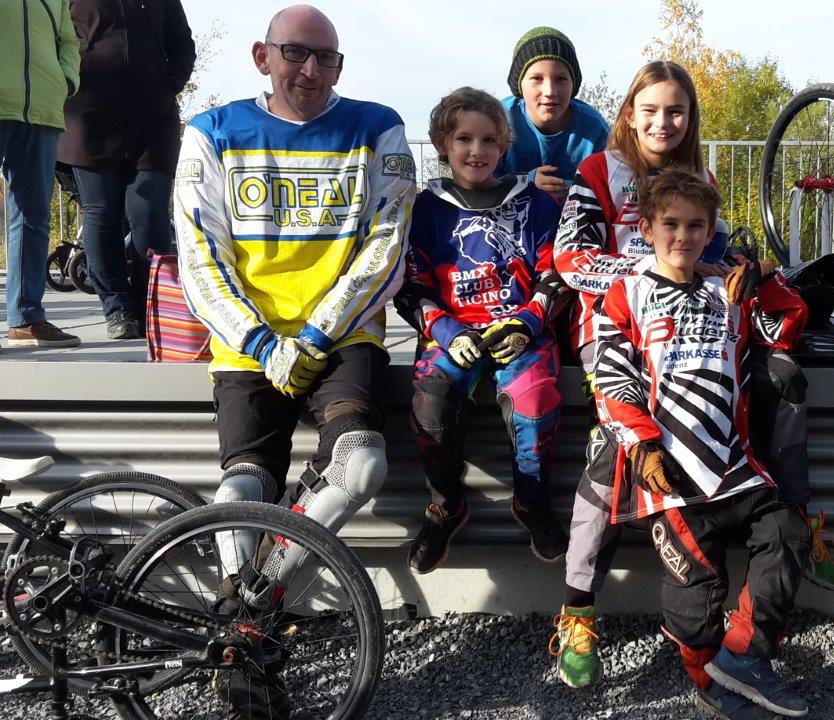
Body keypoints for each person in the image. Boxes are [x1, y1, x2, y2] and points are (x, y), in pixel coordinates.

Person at [545, 60, 834, 691]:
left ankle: (794, 519)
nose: (663, 122)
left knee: (783, 377)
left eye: (675, 111)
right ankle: (578, 612)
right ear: (629, 113)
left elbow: (722, 250)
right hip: (619, 325)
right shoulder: (598, 171)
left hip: (699, 323)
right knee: (612, 454)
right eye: (650, 110)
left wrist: (744, 269)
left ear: (690, 117)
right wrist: (652, 277)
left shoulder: (701, 177)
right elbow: (570, 258)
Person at [172, 6, 414, 716]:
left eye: (326, 58)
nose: (311, 69)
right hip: (247, 343)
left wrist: (313, 335)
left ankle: (251, 609)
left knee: (361, 465)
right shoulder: (211, 132)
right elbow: (197, 253)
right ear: (262, 56)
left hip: (342, 337)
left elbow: (388, 240)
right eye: (295, 53)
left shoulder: (378, 126)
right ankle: (245, 642)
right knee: (241, 491)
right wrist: (260, 342)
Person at [594, 168, 810, 719]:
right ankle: (708, 687)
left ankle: (746, 659)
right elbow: (611, 377)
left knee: (787, 532)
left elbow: (788, 324)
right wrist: (642, 446)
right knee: (696, 591)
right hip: (668, 476)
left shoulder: (726, 291)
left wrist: (762, 280)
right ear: (646, 229)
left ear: (710, 231)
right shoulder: (625, 294)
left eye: (696, 226)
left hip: (736, 465)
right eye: (670, 224)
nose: (683, 236)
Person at [397, 87, 568, 572]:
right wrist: (446, 331)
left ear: (504, 145)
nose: (478, 151)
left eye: (490, 140)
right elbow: (409, 286)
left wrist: (528, 321)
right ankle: (446, 505)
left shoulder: (534, 203)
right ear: (441, 144)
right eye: (464, 139)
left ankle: (530, 502)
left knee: (535, 402)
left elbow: (556, 274)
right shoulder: (424, 208)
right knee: (431, 402)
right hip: (454, 333)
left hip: (521, 331)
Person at [59, 0, 195, 340]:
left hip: (153, 118)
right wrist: (70, 82)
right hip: (89, 115)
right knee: (102, 212)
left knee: (149, 215)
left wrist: (169, 82)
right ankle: (117, 308)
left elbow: (182, 42)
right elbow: (55, 39)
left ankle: (148, 305)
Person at [1, 0, 81, 348]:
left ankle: (26, 318)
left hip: (42, 108)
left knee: (33, 216)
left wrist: (65, 80)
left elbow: (69, 40)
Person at [496, 26, 609, 202]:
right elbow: (479, 180)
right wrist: (525, 183)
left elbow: (610, 188)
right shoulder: (499, 119)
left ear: (573, 84)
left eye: (561, 79)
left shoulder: (595, 129)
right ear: (519, 84)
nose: (549, 91)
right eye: (537, 78)